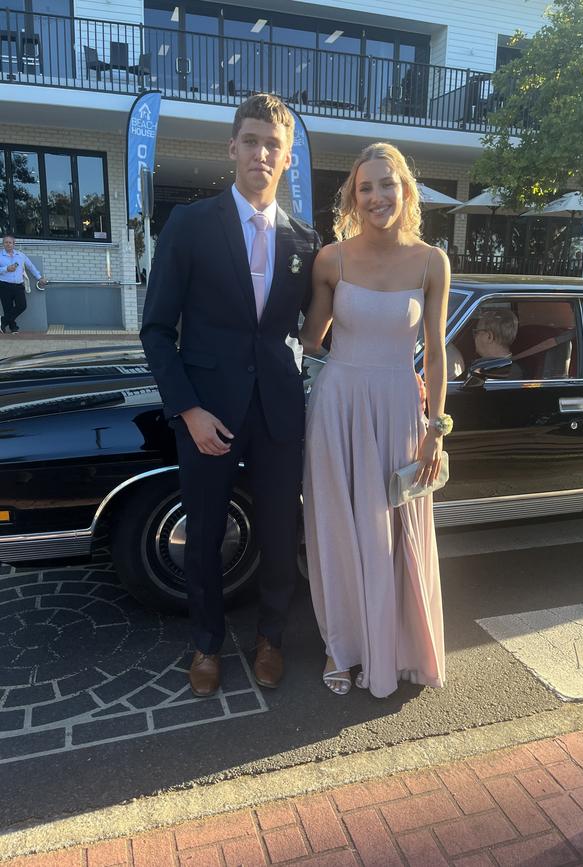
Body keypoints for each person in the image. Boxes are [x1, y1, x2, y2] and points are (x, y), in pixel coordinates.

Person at [140, 94, 319, 698]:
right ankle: (207, 644)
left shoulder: (305, 242)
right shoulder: (189, 225)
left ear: (288, 158)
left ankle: (271, 636)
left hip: (277, 412)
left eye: (274, 145)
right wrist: (187, 409)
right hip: (206, 414)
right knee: (205, 532)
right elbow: (157, 329)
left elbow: (316, 332)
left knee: (276, 530)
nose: (261, 153)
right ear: (232, 148)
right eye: (251, 141)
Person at [300, 143, 451, 699]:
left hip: (399, 410)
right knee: (340, 529)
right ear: (353, 196)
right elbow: (311, 340)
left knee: (395, 533)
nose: (377, 196)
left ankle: (398, 647)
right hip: (338, 406)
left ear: (404, 189)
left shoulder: (432, 261)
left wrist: (436, 427)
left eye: (387, 184)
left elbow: (434, 353)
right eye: (366, 187)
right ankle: (345, 647)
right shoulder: (331, 260)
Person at [0, 234, 47, 334]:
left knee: (22, 305)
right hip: (4, 286)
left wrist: (39, 278)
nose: (8, 244)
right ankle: (13, 328)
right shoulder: (0, 256)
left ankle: (3, 321)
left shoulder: (21, 255)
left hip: (18, 285)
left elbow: (31, 267)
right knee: (7, 308)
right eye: (6, 242)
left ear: (14, 244)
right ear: (3, 244)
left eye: (10, 242)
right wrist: (6, 269)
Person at [472, 309, 524, 379]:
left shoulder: (505, 371)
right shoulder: (503, 367)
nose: (475, 337)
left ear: (489, 336)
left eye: (476, 332)